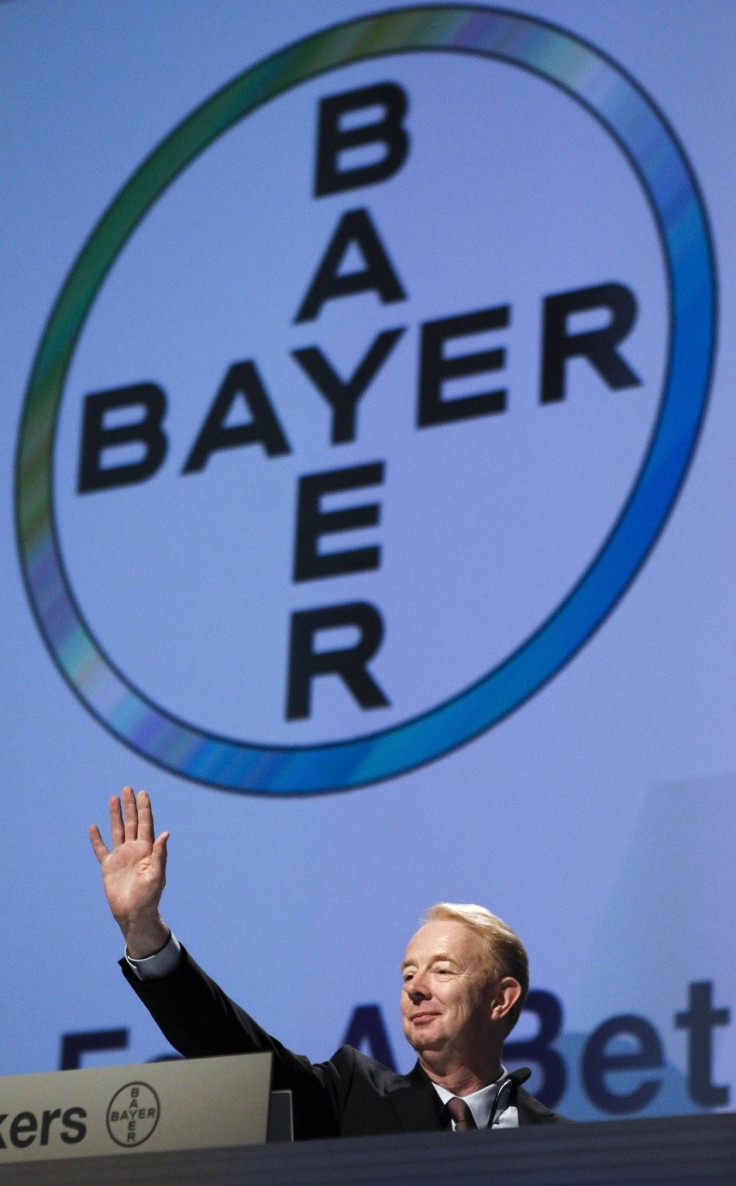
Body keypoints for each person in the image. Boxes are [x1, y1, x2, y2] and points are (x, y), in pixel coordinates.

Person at [90, 786, 566, 1139]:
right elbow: (230, 1045)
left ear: (501, 999)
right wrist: (144, 931)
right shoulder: (350, 1097)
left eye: (441, 970)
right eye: (407, 974)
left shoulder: (566, 1144)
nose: (415, 988)